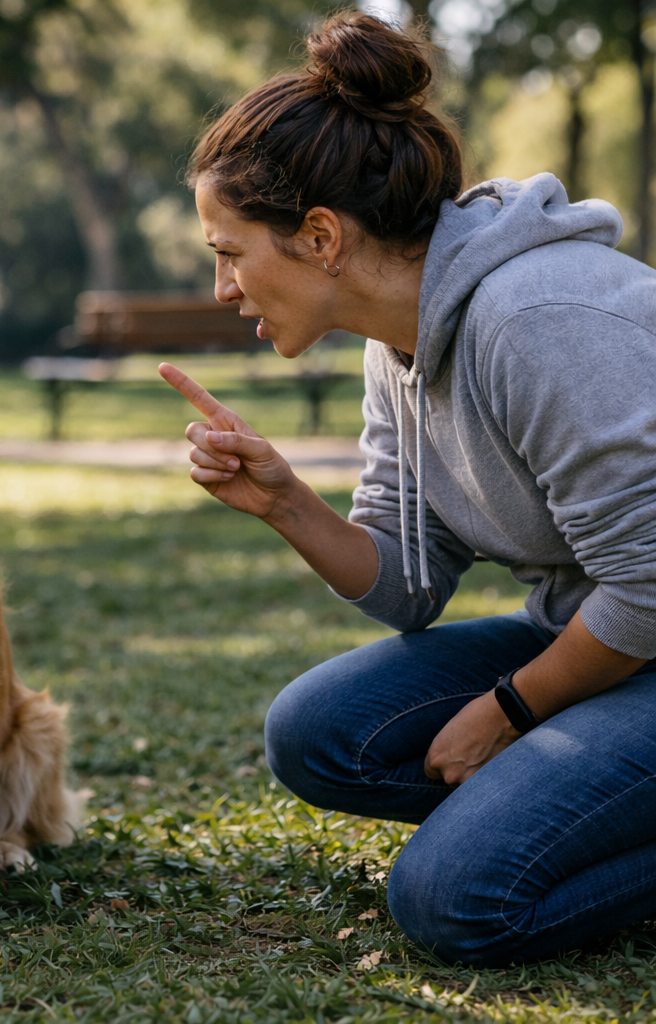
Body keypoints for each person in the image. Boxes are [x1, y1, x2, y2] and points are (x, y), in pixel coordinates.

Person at [159, 11, 656, 966]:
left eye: (229, 253)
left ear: (318, 236)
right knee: (320, 731)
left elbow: (648, 585)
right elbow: (411, 587)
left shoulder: (537, 321)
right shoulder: (399, 345)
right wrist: (286, 504)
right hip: (603, 643)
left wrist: (510, 710)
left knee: (456, 900)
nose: (224, 288)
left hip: (638, 630)